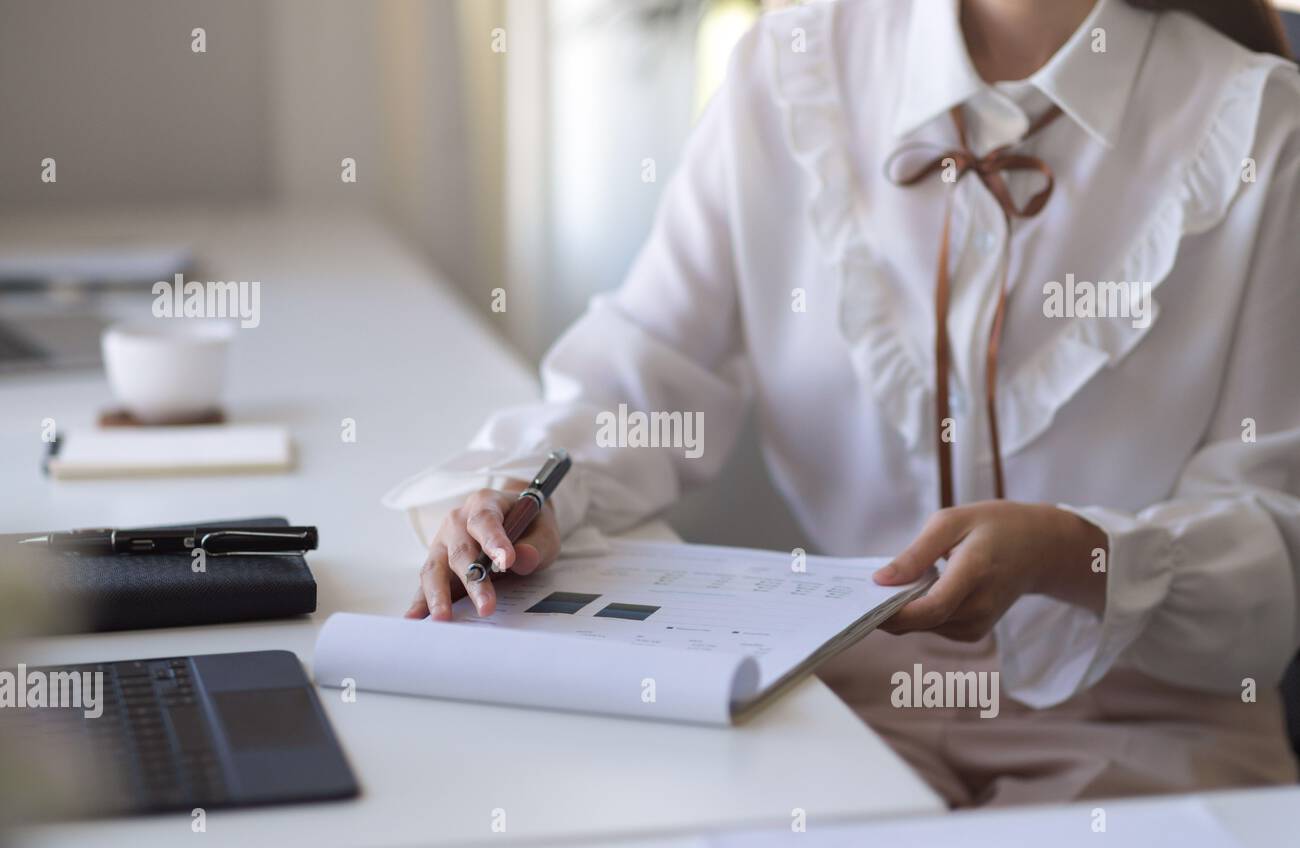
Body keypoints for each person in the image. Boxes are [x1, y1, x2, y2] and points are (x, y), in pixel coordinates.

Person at [388, 0, 1300, 806]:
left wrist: (1076, 555)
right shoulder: (790, 70)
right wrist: (526, 493)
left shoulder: (1260, 124)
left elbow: (1273, 543)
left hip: (1150, 729)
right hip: (845, 700)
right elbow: (644, 373)